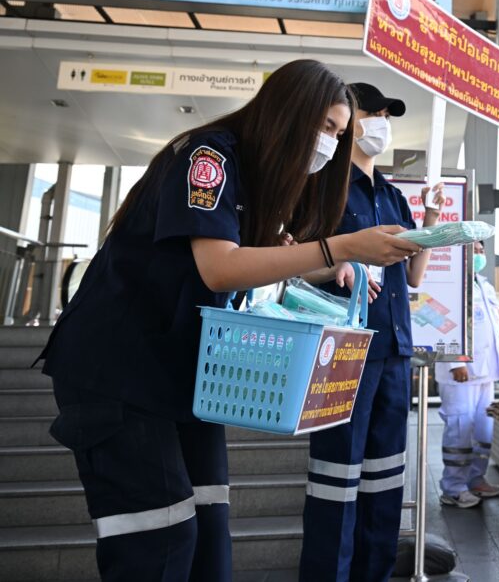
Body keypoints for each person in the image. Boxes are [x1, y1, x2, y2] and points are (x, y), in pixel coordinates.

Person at [39, 60, 421, 582]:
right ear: (290, 112)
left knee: (210, 532)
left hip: (181, 373)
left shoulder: (258, 179)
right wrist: (341, 247)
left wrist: (324, 262)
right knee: (162, 537)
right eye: (327, 127)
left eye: (338, 133)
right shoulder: (209, 157)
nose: (331, 143)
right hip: (119, 370)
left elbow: (250, 265)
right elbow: (219, 267)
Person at [299, 82, 443, 582]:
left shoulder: (393, 196)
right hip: (342, 351)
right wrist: (337, 262)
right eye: (374, 113)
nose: (382, 123)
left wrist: (429, 222)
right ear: (348, 121)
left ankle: (374, 573)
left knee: (385, 478)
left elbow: (415, 276)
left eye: (388, 115)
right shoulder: (321, 187)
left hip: (395, 350)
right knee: (336, 477)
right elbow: (294, 264)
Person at [434, 241, 499, 508]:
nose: (478, 254)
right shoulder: (449, 282)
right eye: (473, 250)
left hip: (486, 371)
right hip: (460, 372)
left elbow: (495, 328)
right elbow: (439, 322)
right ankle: (453, 488)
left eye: (480, 250)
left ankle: (476, 480)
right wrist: (455, 361)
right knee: (459, 429)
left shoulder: (485, 285)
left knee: (483, 429)